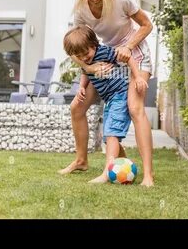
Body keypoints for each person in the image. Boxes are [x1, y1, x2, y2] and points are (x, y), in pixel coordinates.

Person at [58, 0, 155, 187]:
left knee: (134, 106)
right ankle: (81, 160)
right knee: (77, 107)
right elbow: (76, 48)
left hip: (133, 52)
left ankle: (148, 175)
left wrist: (129, 46)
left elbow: (146, 25)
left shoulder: (122, 0)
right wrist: (90, 69)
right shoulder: (81, 10)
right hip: (105, 57)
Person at [63, 25, 148, 183]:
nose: (84, 58)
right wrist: (82, 87)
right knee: (108, 135)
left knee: (111, 133)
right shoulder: (86, 60)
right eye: (79, 56)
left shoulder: (104, 52)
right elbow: (85, 72)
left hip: (120, 95)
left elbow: (129, 57)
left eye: (86, 53)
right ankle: (123, 166)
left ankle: (106, 173)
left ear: (94, 46)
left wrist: (137, 78)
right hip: (110, 99)